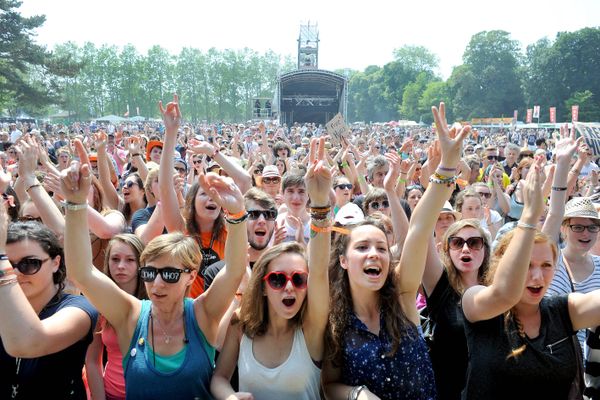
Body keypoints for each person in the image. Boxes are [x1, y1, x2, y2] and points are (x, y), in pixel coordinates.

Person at [62, 96, 248, 399]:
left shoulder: (203, 314)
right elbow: (82, 273)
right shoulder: (130, 315)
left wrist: (238, 214)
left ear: (191, 276)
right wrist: (74, 205)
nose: (156, 283)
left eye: (170, 275)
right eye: (149, 272)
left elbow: (236, 269)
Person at [321, 102, 467, 399]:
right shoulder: (334, 321)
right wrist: (356, 394)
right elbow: (328, 384)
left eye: (382, 247)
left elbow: (418, 229)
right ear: (344, 260)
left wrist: (445, 168)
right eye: (362, 247)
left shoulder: (402, 295)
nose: (374, 253)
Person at [459, 154, 600, 399]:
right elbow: (504, 294)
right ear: (502, 263)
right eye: (526, 265)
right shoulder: (476, 302)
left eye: (546, 265)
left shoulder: (561, 311)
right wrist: (529, 216)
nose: (537, 276)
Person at [210, 137, 331, 399]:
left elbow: (320, 271)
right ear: (263, 286)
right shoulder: (240, 324)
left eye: (299, 279)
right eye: (277, 279)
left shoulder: (311, 328)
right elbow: (219, 378)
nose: (289, 286)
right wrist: (228, 396)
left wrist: (320, 203)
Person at [0, 217, 98, 399]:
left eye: (29, 263)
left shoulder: (80, 308)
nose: (15, 273)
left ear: (55, 262)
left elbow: (32, 341)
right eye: (9, 265)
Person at [85, 234, 147, 400]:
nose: (121, 266)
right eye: (115, 259)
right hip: (111, 393)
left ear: (141, 263)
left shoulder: (155, 302)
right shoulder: (98, 303)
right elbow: (92, 360)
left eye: (130, 260)